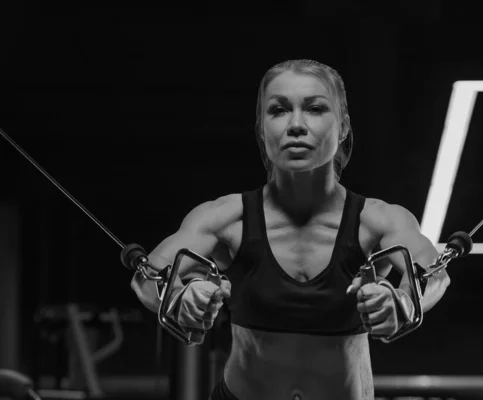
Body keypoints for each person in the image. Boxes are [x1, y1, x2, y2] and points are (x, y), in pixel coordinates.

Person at [131, 59, 450, 400]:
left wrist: (402, 301)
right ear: (261, 128)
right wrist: (181, 298)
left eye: (314, 108)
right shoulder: (224, 218)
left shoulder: (379, 221)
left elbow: (435, 276)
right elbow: (146, 279)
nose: (296, 124)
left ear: (342, 126)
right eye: (279, 110)